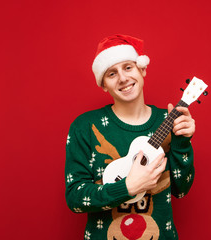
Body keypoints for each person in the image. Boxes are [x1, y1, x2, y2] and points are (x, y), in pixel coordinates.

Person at [65, 34, 195, 239]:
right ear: (103, 85)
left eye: (128, 67)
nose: (123, 78)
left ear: (142, 70)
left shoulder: (166, 120)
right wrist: (127, 187)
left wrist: (183, 141)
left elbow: (181, 190)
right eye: (111, 73)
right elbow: (75, 198)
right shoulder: (85, 126)